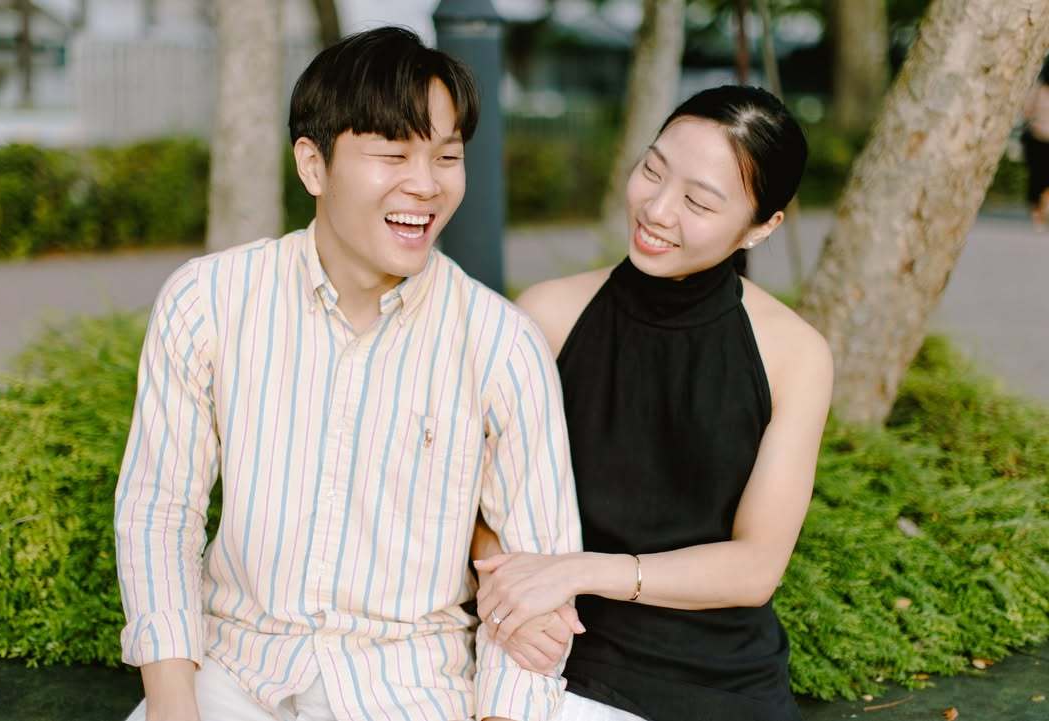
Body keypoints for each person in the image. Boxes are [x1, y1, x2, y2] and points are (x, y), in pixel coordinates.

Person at [114, 26, 581, 721]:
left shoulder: (501, 345)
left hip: (410, 689)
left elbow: (535, 582)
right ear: (313, 165)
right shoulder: (208, 300)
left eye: (447, 156)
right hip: (233, 673)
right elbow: (160, 511)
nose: (425, 184)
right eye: (393, 154)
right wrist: (172, 704)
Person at [471, 85, 833, 721]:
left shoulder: (794, 355)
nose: (658, 209)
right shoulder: (547, 316)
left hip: (720, 682)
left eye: (698, 201)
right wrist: (505, 593)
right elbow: (474, 502)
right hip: (558, 654)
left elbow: (755, 567)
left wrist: (581, 571)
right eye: (653, 170)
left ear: (762, 227)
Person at [1022, 57, 1049, 228]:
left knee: (1037, 177)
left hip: (1036, 137)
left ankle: (1037, 213)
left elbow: (1026, 111)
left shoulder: (1038, 89)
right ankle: (1041, 209)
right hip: (1038, 138)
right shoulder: (1038, 90)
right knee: (1041, 178)